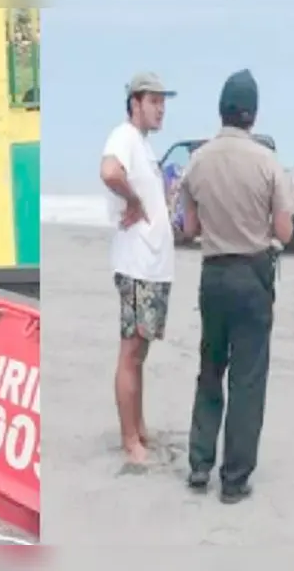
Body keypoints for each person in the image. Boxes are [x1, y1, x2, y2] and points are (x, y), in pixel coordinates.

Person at [179, 69, 294, 503]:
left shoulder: (198, 161)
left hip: (213, 275)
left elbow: (188, 228)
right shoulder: (267, 162)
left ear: (221, 110)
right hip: (252, 273)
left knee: (211, 368)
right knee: (247, 378)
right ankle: (233, 478)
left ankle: (199, 464)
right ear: (253, 114)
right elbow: (282, 229)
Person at [99, 72, 177, 468]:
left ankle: (139, 426)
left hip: (153, 266)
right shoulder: (124, 136)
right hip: (136, 264)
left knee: (141, 350)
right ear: (135, 103)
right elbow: (110, 172)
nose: (161, 108)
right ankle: (130, 439)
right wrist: (131, 201)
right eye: (154, 101)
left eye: (163, 102)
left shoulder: (143, 145)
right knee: (130, 351)